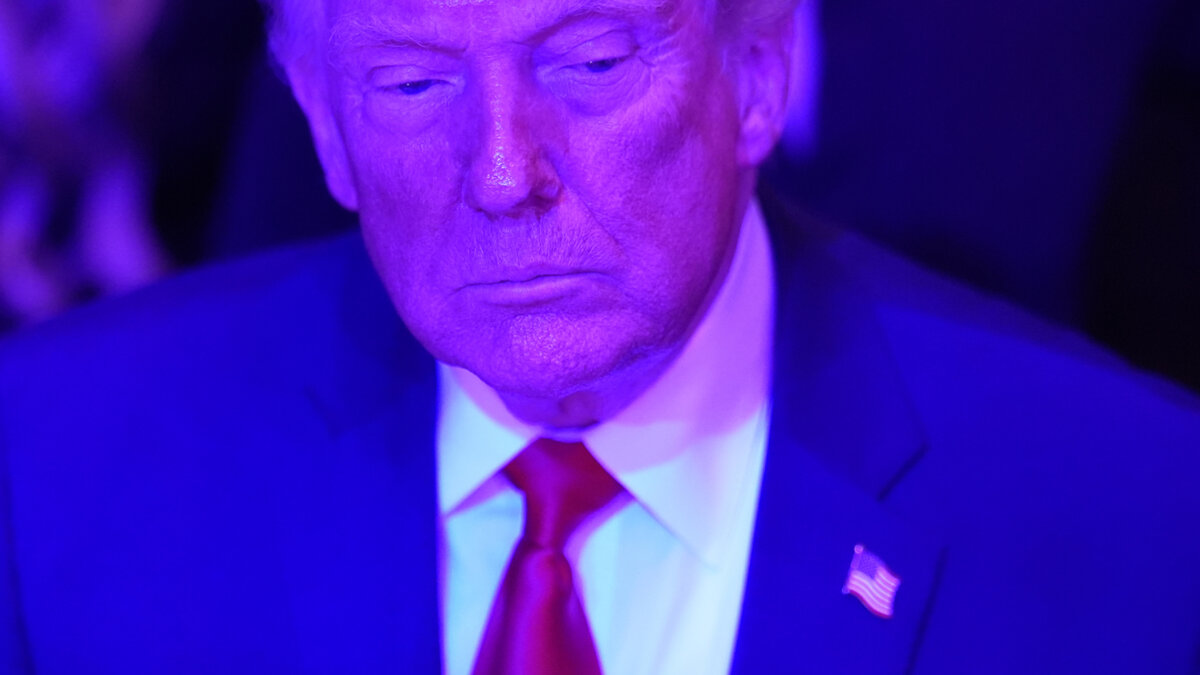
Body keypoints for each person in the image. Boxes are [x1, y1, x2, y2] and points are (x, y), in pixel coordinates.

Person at [1, 0, 1198, 673]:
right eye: (412, 85)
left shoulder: (1134, 509)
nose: (504, 170)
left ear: (758, 72)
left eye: (590, 62)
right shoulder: (53, 468)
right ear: (322, 127)